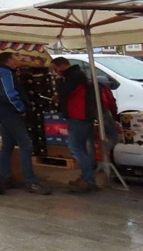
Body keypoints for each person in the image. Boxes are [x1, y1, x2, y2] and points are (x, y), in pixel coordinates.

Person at [0, 52, 51, 195]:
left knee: (7, 145)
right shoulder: (5, 73)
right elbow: (9, 94)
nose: (16, 62)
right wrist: (21, 108)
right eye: (14, 59)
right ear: (8, 60)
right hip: (10, 113)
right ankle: (31, 181)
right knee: (26, 144)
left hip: (0, 112)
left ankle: (5, 177)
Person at [51, 57, 98, 193]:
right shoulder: (77, 74)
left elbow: (64, 92)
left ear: (61, 67)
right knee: (83, 148)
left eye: (55, 69)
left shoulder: (73, 77)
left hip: (79, 115)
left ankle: (88, 179)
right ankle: (86, 177)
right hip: (82, 115)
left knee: (75, 147)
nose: (54, 72)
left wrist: (59, 81)